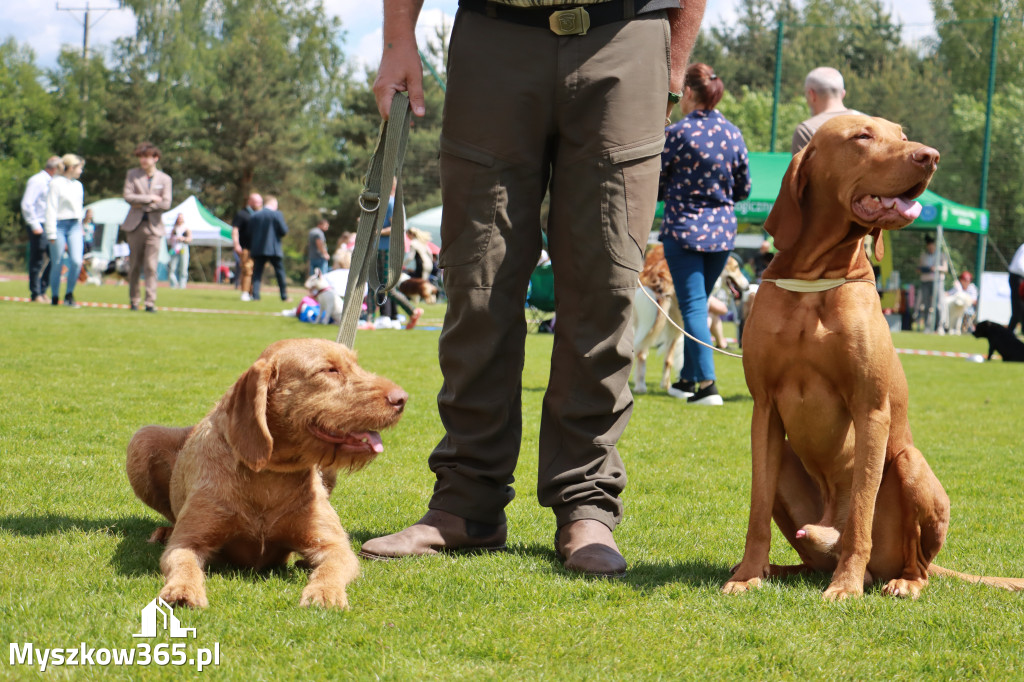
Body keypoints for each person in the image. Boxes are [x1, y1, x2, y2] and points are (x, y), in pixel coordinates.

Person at [359, 0, 707, 577]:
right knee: (478, 279)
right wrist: (399, 38)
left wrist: (671, 63)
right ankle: (466, 502)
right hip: (494, 38)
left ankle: (586, 505)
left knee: (607, 283)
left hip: (626, 33)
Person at [659, 63, 751, 406]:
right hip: (722, 236)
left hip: (683, 231)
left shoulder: (677, 134)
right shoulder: (733, 133)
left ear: (690, 94)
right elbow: (744, 187)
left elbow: (655, 184)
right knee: (696, 305)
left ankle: (708, 387)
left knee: (693, 307)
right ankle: (686, 381)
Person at [122, 142, 172, 312]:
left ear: (155, 158)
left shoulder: (165, 179)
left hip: (154, 228)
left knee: (151, 266)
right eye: (141, 157)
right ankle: (134, 300)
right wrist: (150, 198)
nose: (143, 160)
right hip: (134, 227)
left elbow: (166, 203)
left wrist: (142, 203)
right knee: (134, 265)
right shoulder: (132, 175)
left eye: (146, 157)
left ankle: (150, 302)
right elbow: (128, 196)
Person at [44, 154, 87, 308]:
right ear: (71, 167)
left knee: (76, 261)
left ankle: (69, 294)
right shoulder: (56, 183)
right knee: (57, 262)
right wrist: (51, 232)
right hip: (59, 225)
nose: (81, 171)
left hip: (75, 225)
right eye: (79, 168)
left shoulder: (78, 185)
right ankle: (55, 296)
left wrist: (81, 228)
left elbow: (79, 209)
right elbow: (51, 208)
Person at [791, 67, 860, 155]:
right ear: (843, 94)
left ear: (812, 95)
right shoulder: (871, 123)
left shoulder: (806, 130)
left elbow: (800, 168)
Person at [21, 156, 62, 303]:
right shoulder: (37, 180)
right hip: (39, 224)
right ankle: (36, 293)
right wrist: (35, 225)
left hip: (51, 224)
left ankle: (43, 289)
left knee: (57, 258)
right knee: (37, 261)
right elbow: (27, 204)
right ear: (54, 168)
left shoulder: (55, 183)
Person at [247, 195, 291, 301]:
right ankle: (284, 296)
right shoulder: (277, 214)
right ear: (273, 204)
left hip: (258, 249)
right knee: (280, 273)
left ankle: (255, 295)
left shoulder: (255, 216)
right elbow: (283, 231)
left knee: (257, 273)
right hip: (273, 249)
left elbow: (249, 233)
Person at [915, 234, 948, 333]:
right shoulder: (923, 255)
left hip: (937, 281)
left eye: (931, 245)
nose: (930, 247)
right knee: (926, 304)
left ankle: (940, 326)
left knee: (938, 304)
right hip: (925, 281)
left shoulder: (941, 255)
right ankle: (927, 326)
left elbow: (945, 269)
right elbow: (919, 268)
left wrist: (935, 268)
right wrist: (922, 269)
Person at [232, 193, 262, 300]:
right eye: (257, 202)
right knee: (247, 270)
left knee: (256, 271)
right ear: (250, 201)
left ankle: (252, 293)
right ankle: (245, 292)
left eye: (260, 202)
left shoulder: (260, 215)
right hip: (246, 248)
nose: (259, 204)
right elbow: (235, 230)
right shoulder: (242, 214)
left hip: (258, 249)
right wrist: (236, 244)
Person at [167, 213, 192, 289]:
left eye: (181, 218)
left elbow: (190, 239)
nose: (180, 219)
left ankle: (182, 285)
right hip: (175, 249)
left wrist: (183, 239)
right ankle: (174, 284)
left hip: (183, 248)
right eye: (178, 218)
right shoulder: (174, 228)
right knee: (172, 267)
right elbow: (170, 238)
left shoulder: (186, 228)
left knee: (183, 266)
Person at [1008, 241, 1024, 335]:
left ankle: (1010, 331)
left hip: (1019, 278)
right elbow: (1020, 265)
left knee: (1018, 307)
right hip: (1017, 278)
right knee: (1019, 306)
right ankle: (1010, 332)